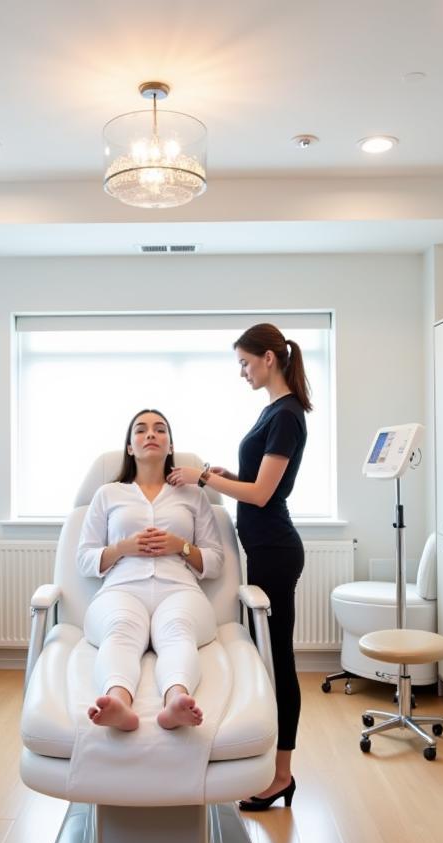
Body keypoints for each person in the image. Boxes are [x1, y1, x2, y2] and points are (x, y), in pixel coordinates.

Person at [167, 323, 310, 810]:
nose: (243, 373)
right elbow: (255, 481)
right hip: (265, 547)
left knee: (280, 662)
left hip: (277, 550)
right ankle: (268, 763)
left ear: (270, 358)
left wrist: (204, 476)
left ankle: (282, 774)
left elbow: (264, 495)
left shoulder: (288, 414)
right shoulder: (273, 411)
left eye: (246, 364)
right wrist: (230, 474)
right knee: (265, 659)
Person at [78, 409, 225, 732]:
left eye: (160, 430)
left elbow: (215, 561)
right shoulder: (108, 494)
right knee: (119, 628)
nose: (150, 435)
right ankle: (117, 702)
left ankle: (176, 702)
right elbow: (84, 559)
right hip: (122, 589)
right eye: (141, 430)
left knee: (177, 629)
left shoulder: (193, 495)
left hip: (180, 590)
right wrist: (122, 548)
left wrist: (180, 546)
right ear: (130, 447)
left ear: (170, 445)